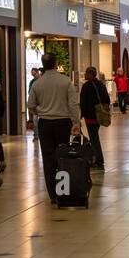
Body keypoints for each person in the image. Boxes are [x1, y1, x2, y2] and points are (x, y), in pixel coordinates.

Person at [27, 52, 80, 201]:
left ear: (43, 65)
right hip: (63, 122)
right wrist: (76, 122)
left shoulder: (37, 83)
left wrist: (41, 111)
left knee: (48, 158)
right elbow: (73, 104)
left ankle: (53, 195)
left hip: (45, 124)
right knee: (63, 156)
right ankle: (63, 191)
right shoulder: (65, 81)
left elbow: (31, 105)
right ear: (56, 63)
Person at [79, 66, 111, 170]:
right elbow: (107, 99)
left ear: (90, 74)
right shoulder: (101, 84)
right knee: (94, 136)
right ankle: (94, 158)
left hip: (90, 116)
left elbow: (83, 102)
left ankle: (98, 160)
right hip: (99, 116)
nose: (85, 75)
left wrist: (81, 115)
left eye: (86, 73)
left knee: (94, 138)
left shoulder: (86, 86)